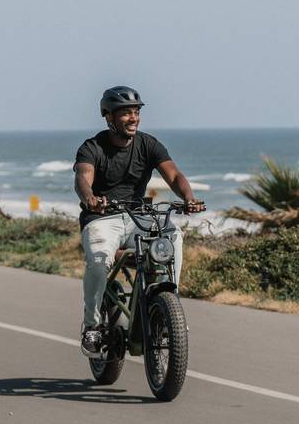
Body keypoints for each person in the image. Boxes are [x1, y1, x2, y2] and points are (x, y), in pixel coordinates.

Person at [73, 86, 205, 356]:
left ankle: (171, 304)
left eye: (136, 112)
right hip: (101, 219)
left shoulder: (149, 144)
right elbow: (82, 179)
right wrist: (90, 199)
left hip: (138, 216)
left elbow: (174, 175)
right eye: (125, 113)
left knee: (172, 235)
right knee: (99, 260)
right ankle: (92, 327)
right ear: (109, 117)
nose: (133, 118)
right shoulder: (92, 147)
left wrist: (189, 197)